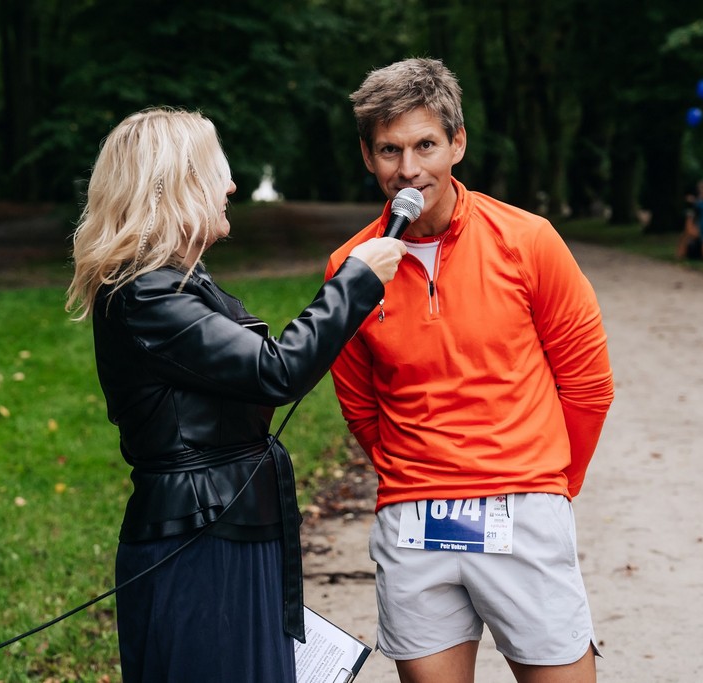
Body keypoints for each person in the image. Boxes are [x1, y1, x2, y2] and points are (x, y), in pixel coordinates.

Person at [66, 107, 406, 683]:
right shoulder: (145, 296)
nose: (230, 186)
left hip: (229, 534)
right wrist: (355, 281)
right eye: (216, 171)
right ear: (176, 184)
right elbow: (277, 370)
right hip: (201, 548)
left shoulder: (178, 283)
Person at [325, 58, 615, 683]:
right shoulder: (350, 266)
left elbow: (588, 386)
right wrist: (414, 472)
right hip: (414, 521)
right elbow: (360, 406)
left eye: (425, 145)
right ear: (368, 156)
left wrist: (551, 486)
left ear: (457, 143)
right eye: (389, 150)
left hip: (522, 506)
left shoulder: (528, 240)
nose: (408, 169)